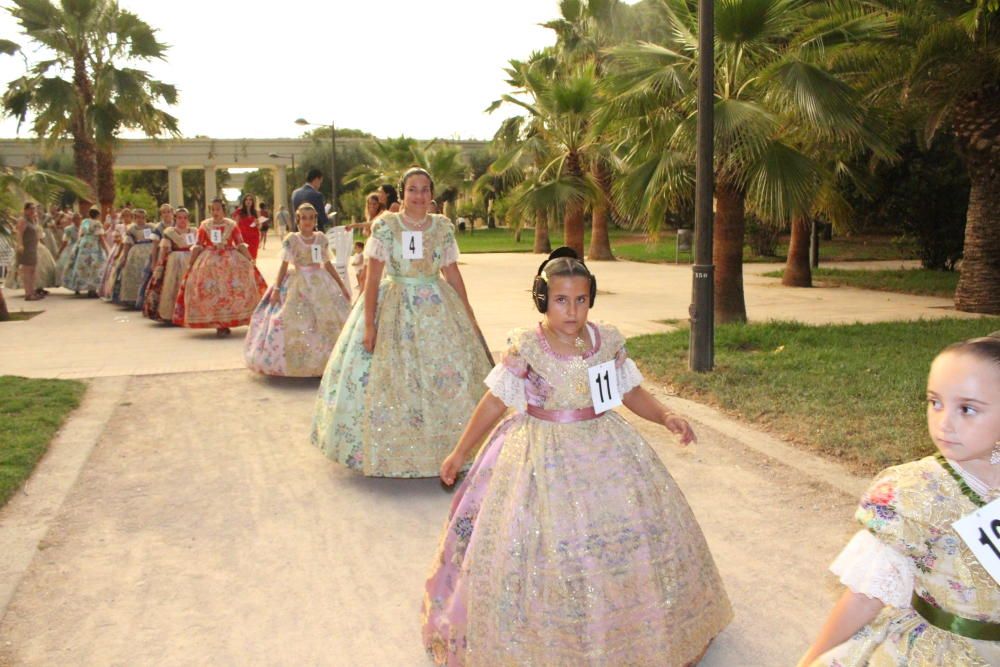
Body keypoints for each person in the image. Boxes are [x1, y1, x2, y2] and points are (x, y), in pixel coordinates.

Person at [422, 248, 733, 665]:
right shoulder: (527, 346)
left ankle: (633, 626)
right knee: (542, 544)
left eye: (581, 300)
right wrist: (461, 450)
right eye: (561, 300)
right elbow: (496, 401)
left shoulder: (606, 342)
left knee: (624, 535)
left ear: (591, 299)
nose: (572, 310)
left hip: (605, 445)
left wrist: (665, 415)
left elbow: (628, 391)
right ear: (543, 300)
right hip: (540, 452)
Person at [798, 333, 1000, 667]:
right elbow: (866, 595)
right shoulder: (914, 492)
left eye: (967, 409)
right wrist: (811, 658)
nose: (943, 423)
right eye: (935, 402)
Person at [311, 167, 493, 478]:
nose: (419, 195)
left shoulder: (442, 228)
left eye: (424, 189)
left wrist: (470, 314)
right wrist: (370, 324)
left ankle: (450, 448)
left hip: (437, 310)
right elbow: (372, 278)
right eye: (412, 189)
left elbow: (452, 273)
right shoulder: (386, 226)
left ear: (431, 194)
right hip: (394, 305)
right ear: (402, 193)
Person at [244, 203, 352, 377]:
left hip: (319, 282)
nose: (307, 222)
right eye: (304, 218)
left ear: (315, 219)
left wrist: (340, 285)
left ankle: (325, 362)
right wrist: (277, 288)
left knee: (325, 320)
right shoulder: (292, 239)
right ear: (298, 220)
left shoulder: (321, 239)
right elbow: (284, 265)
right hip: (297, 281)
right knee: (295, 319)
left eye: (311, 218)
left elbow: (327, 264)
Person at [172, 198, 266, 337]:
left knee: (231, 290)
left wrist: (249, 259)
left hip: (230, 259)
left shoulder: (231, 224)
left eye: (218, 209)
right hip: (209, 261)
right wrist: (191, 263)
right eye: (213, 210)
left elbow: (240, 243)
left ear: (223, 210)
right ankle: (216, 323)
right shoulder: (205, 225)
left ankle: (226, 322)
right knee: (211, 290)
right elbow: (198, 244)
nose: (215, 212)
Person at [142, 207, 197, 322]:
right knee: (172, 286)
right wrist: (159, 265)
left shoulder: (193, 231)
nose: (183, 220)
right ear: (176, 218)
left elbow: (197, 247)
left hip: (190, 259)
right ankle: (171, 314)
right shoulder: (170, 232)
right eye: (180, 218)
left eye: (185, 218)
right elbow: (163, 249)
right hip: (174, 260)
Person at [113, 208, 155, 306]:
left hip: (149, 250)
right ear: (135, 218)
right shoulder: (132, 229)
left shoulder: (151, 227)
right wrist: (124, 256)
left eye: (143, 217)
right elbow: (127, 243)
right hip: (136, 252)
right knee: (134, 273)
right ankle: (133, 297)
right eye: (138, 217)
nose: (141, 219)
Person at [135, 203, 174, 308]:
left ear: (172, 213)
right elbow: (154, 246)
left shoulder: (176, 225)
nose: (166, 214)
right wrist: (153, 262)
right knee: (150, 276)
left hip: (174, 256)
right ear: (161, 214)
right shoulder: (158, 228)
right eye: (164, 212)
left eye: (168, 212)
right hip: (160, 255)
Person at [62, 207, 107, 297]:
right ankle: (92, 289)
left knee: (82, 266)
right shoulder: (97, 224)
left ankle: (79, 286)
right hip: (94, 246)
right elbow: (101, 238)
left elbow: (81, 234)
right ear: (98, 215)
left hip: (84, 244)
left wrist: (79, 244)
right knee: (94, 267)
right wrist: (106, 249)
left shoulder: (85, 222)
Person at [98, 207, 131, 300]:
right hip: (119, 248)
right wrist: (119, 240)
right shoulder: (119, 226)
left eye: (128, 216)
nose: (127, 218)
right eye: (125, 216)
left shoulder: (133, 226)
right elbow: (115, 238)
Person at [56, 212, 81, 286]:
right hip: (72, 247)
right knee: (67, 265)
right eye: (76, 219)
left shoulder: (83, 227)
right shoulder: (68, 229)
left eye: (79, 219)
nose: (78, 221)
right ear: (73, 220)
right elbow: (65, 241)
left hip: (82, 246)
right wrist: (59, 252)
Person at [234, 194, 261, 259]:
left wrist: (257, 223)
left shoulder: (256, 212)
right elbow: (235, 225)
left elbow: (260, 227)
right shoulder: (239, 212)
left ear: (252, 202)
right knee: (243, 257)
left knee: (253, 257)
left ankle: (253, 269)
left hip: (254, 238)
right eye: (246, 199)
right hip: (243, 238)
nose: (248, 201)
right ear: (244, 201)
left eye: (250, 200)